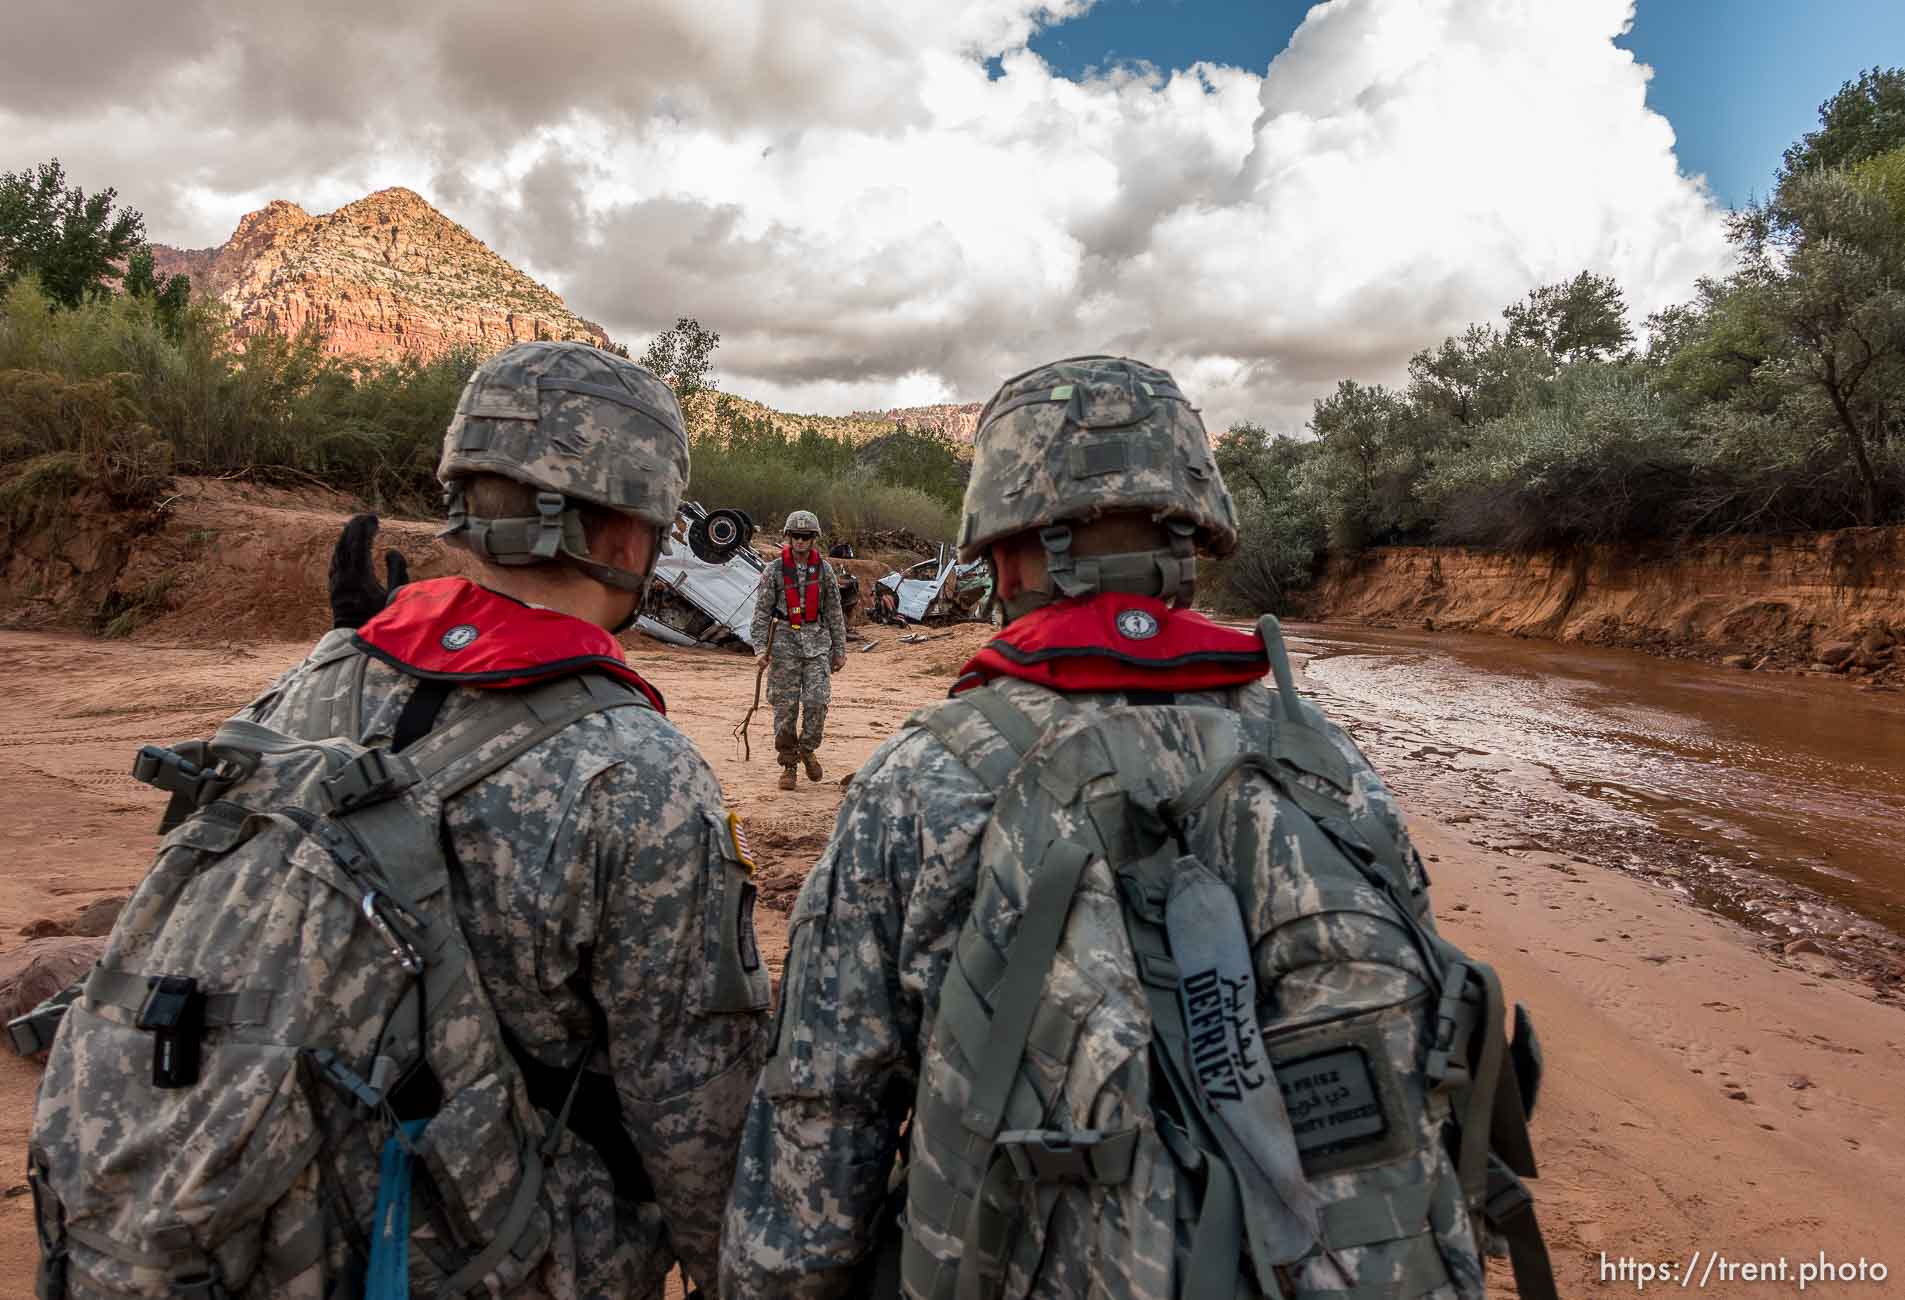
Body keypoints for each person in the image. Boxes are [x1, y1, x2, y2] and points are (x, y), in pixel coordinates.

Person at [721, 356, 1547, 1299]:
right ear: (1195, 535)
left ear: (1001, 546)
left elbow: (824, 1114)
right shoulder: (1324, 759)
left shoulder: (922, 778)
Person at [244, 342, 770, 1298]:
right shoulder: (638, 773)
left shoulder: (300, 691)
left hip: (270, 1222)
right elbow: (695, 1110)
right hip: (500, 1250)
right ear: (626, 540)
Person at [749, 510, 847, 790]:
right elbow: (760, 614)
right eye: (796, 536)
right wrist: (759, 649)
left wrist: (840, 650)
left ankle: (807, 748)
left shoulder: (824, 571)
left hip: (817, 644)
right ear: (788, 537)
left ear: (813, 539)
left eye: (806, 536)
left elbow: (834, 613)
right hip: (782, 646)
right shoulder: (774, 570)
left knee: (817, 702)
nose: (801, 541)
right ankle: (789, 763)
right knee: (785, 710)